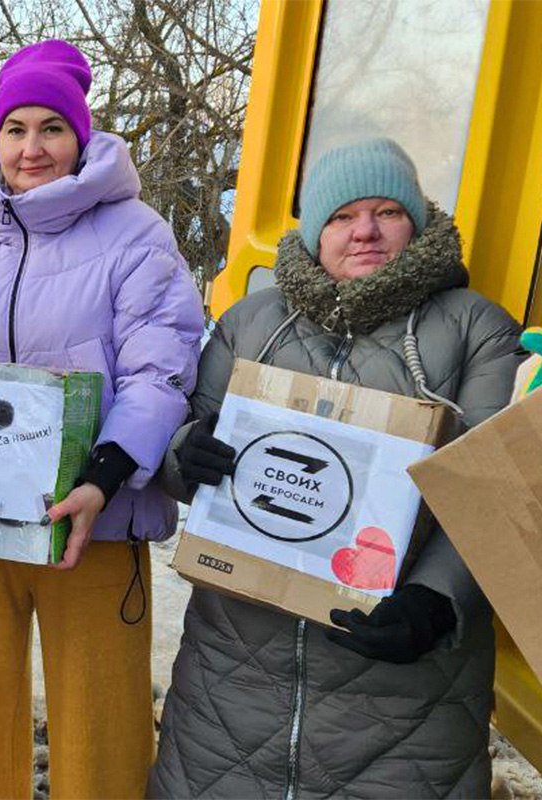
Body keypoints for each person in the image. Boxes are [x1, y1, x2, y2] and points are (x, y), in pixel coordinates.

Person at [0, 40, 204, 798]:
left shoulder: (136, 235)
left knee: (99, 723)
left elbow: (162, 367)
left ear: (80, 136)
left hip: (92, 520)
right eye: (15, 129)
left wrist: (107, 475)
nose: (31, 148)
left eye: (51, 128)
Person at [148, 138, 521, 798]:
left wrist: (435, 604)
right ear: (316, 230)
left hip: (403, 699)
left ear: (418, 223)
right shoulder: (251, 323)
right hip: (234, 676)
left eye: (387, 212)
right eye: (344, 216)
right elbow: (184, 441)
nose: (367, 231)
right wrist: (186, 454)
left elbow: (490, 491)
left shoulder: (477, 330)